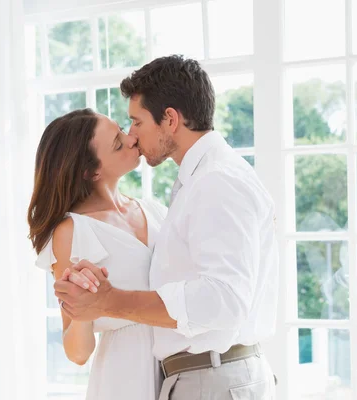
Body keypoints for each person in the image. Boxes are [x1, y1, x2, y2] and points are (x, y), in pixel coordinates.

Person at [53, 55, 279, 399]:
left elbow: (225, 298)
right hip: (172, 376)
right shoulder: (197, 183)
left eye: (136, 122)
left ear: (170, 119)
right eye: (121, 134)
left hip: (210, 374)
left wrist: (110, 301)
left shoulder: (213, 182)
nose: (132, 137)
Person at [28, 108, 167, 399]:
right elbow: (76, 353)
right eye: (118, 143)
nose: (131, 139)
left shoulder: (154, 211)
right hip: (125, 375)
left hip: (181, 364)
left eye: (122, 130)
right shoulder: (73, 231)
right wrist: (83, 308)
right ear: (91, 171)